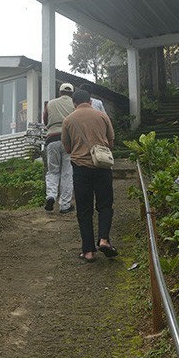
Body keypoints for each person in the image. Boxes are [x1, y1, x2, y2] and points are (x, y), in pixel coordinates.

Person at [61, 89, 117, 262]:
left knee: (84, 210)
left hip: (80, 169)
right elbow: (111, 142)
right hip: (102, 166)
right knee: (105, 205)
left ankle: (88, 251)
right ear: (90, 101)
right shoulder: (102, 116)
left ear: (74, 103)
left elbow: (68, 148)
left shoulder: (68, 120)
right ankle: (104, 240)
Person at [43, 82, 75, 213]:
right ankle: (64, 205)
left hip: (52, 139)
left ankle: (51, 195)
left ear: (60, 92)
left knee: (53, 170)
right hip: (68, 140)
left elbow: (45, 121)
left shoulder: (50, 104)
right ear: (72, 93)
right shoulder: (74, 104)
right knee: (67, 172)